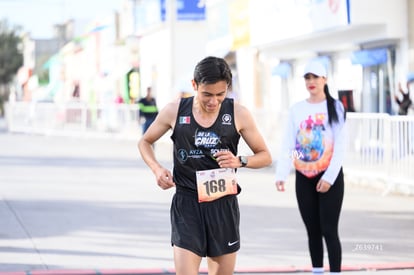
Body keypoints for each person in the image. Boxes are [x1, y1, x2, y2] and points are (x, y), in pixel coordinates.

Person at [138, 56, 272, 275]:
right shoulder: (175, 111)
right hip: (187, 203)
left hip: (222, 204)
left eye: (221, 95)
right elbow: (145, 141)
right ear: (194, 85)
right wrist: (157, 169)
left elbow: (265, 156)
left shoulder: (238, 113)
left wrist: (240, 161)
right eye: (207, 94)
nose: (213, 102)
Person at [274, 60, 346, 274]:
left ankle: (334, 271)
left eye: (316, 77)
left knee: (329, 230)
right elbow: (290, 144)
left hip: (329, 177)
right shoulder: (297, 109)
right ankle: (317, 271)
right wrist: (282, 172)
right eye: (307, 77)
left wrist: (329, 178)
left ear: (325, 79)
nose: (311, 82)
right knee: (312, 230)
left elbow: (340, 146)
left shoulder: (336, 107)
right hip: (304, 177)